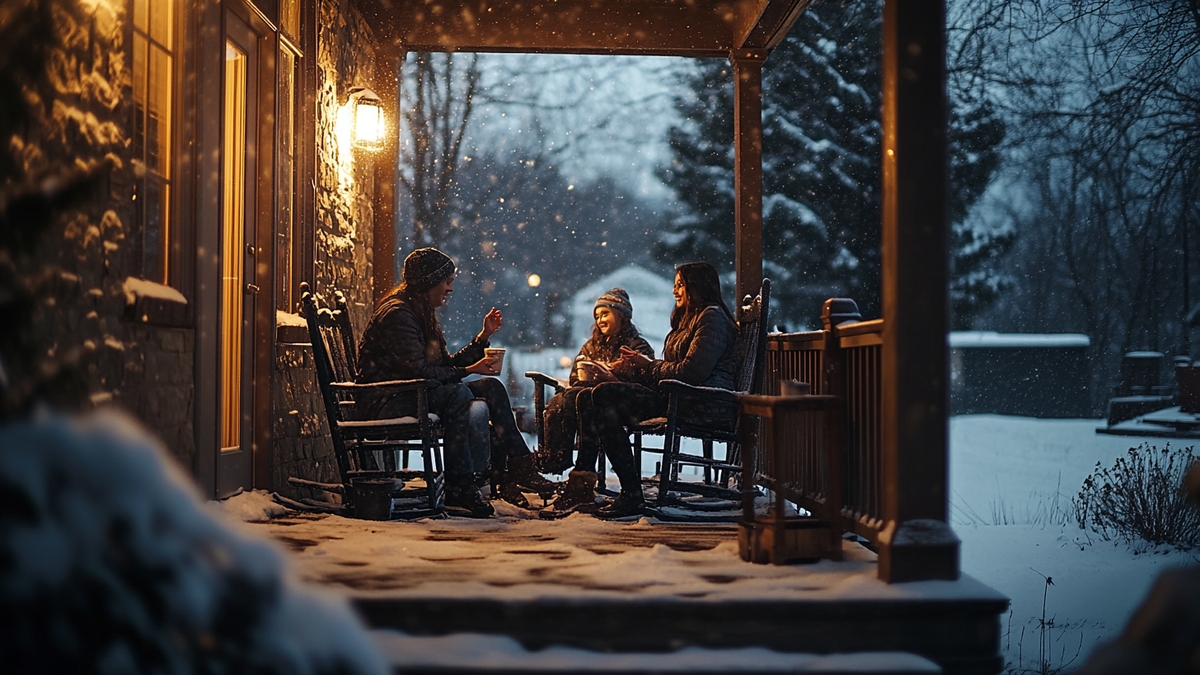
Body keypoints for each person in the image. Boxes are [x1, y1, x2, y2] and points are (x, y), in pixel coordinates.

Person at [356, 247, 557, 517]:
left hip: (410, 394)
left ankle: (520, 468)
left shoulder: (418, 311)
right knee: (457, 395)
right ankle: (460, 485)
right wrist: (467, 370)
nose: (449, 289)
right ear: (428, 282)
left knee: (490, 387)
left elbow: (440, 365)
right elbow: (420, 372)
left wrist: (482, 339)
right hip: (387, 401)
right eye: (446, 281)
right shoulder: (399, 314)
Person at [561, 262, 738, 519]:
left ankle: (631, 493)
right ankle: (583, 484)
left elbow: (692, 372)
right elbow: (674, 368)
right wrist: (631, 369)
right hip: (679, 395)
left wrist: (648, 365)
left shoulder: (711, 317)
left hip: (701, 401)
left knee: (602, 395)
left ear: (697, 286)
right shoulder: (690, 319)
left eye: (680, 285)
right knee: (590, 395)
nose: (674, 291)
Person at [537, 289, 654, 518]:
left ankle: (575, 477)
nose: (600, 320)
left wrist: (612, 378)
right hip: (591, 400)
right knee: (563, 399)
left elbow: (644, 382)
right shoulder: (591, 345)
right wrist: (587, 375)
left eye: (606, 314)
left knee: (582, 399)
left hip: (621, 405)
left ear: (622, 315)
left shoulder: (636, 346)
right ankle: (561, 460)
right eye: (597, 316)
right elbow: (574, 379)